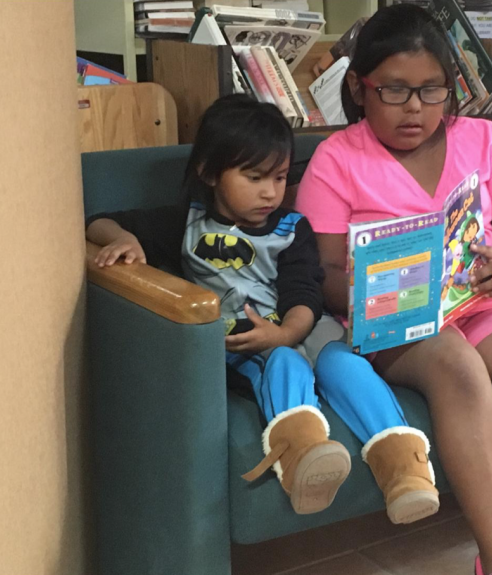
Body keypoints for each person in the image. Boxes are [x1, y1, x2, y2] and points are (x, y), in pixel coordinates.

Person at [295, 5, 492, 575]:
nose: (415, 108)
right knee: (457, 367)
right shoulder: (336, 160)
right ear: (360, 89)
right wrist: (364, 280)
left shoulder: (481, 139)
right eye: (394, 91)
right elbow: (322, 273)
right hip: (391, 319)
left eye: (431, 91)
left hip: (476, 302)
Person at [85, 95, 439, 524]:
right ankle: (303, 459)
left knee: (346, 365)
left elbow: (304, 292)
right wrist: (125, 239)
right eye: (254, 177)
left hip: (301, 325)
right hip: (243, 343)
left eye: (279, 177)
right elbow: (97, 219)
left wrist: (289, 331)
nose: (270, 192)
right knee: (285, 363)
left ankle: (405, 467)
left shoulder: (293, 229)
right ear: (209, 172)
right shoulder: (186, 223)